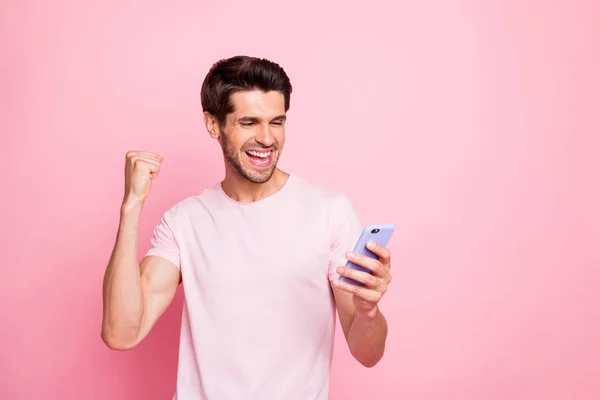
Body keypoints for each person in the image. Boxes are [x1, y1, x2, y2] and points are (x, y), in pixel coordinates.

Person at [101, 55, 393, 400]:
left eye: (277, 122)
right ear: (213, 125)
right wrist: (130, 207)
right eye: (249, 122)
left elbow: (367, 353)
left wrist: (368, 310)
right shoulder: (185, 221)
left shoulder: (329, 211)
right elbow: (122, 333)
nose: (267, 139)